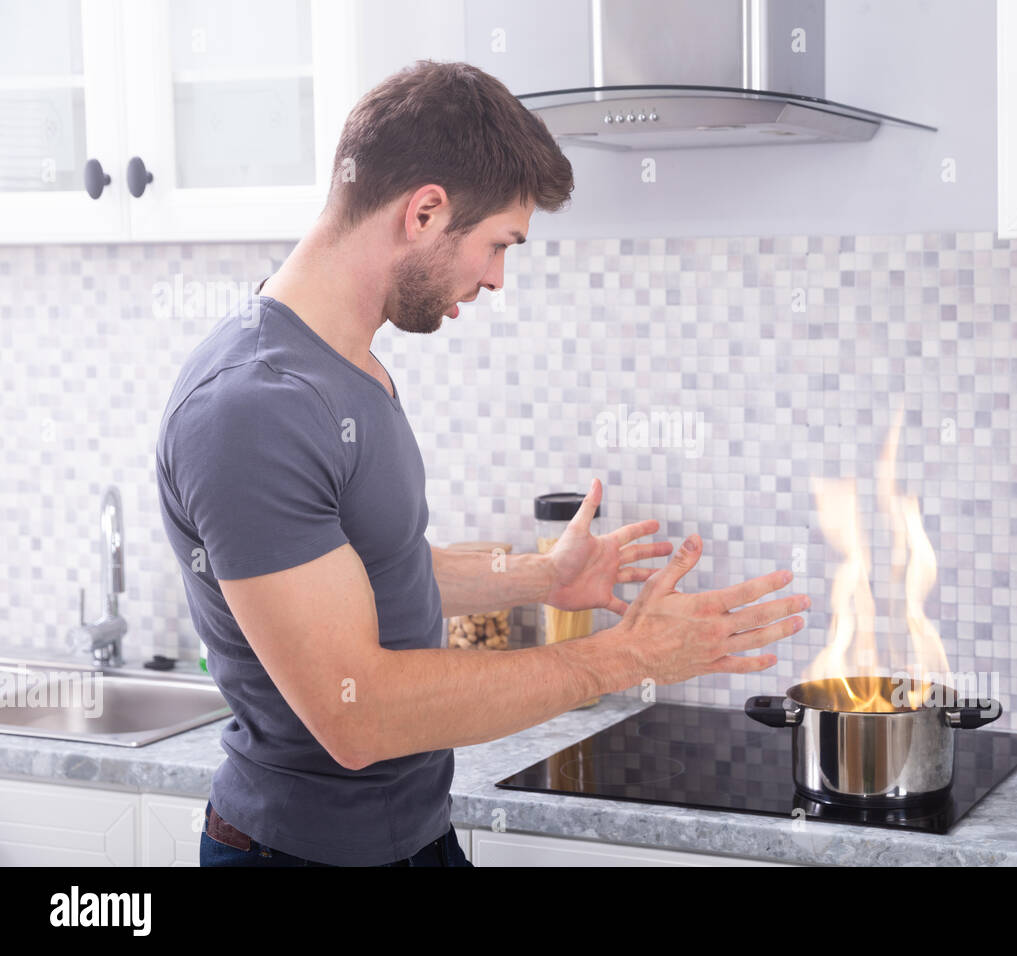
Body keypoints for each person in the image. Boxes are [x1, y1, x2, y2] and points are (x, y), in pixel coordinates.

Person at [156, 60, 808, 868]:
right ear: (425, 211)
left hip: (415, 839)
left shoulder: (346, 366)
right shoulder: (253, 407)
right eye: (500, 243)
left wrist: (540, 578)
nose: (498, 276)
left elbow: (369, 566)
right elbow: (354, 716)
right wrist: (625, 656)